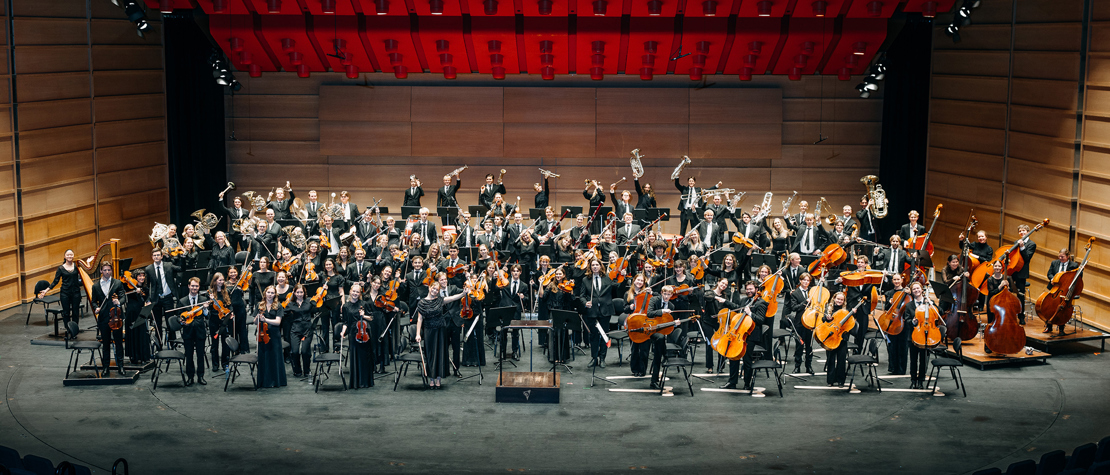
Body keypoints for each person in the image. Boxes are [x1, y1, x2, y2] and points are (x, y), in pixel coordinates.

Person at [415, 279, 468, 389]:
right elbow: (419, 319)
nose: (435, 291)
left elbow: (453, 298)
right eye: (433, 288)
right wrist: (418, 334)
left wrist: (463, 294)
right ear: (429, 288)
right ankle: (431, 378)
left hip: (440, 330)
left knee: (440, 353)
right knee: (430, 354)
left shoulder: (440, 300)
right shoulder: (422, 302)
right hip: (429, 330)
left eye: (437, 290)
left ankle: (438, 378)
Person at [721, 281, 768, 391]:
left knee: (747, 360)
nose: (749, 291)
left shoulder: (761, 303)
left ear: (756, 290)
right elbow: (738, 308)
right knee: (733, 357)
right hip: (739, 333)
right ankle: (732, 382)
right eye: (747, 289)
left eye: (751, 289)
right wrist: (725, 302)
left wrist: (750, 313)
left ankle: (747, 383)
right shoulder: (744, 300)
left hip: (750, 335)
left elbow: (761, 320)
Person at [91, 261, 127, 375]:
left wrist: (119, 302)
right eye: (105, 270)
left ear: (111, 271)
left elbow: (123, 297)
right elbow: (93, 301)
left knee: (118, 342)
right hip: (103, 317)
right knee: (105, 343)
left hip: (116, 316)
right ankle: (105, 367)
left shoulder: (117, 283)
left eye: (109, 270)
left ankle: (121, 366)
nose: (107, 272)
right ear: (101, 271)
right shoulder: (95, 286)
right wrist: (96, 308)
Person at [577, 259, 614, 368]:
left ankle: (602, 358)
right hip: (592, 311)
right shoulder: (585, 280)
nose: (595, 266)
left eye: (597, 264)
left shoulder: (607, 277)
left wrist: (623, 277)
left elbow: (618, 286)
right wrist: (585, 303)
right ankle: (594, 358)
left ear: (601, 266)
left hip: (605, 310)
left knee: (604, 335)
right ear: (590, 267)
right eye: (593, 265)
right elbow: (582, 295)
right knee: (593, 335)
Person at [339, 282, 375, 388]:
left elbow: (371, 318)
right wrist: (343, 331)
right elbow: (345, 322)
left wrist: (364, 316)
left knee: (365, 357)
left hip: (364, 332)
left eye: (357, 292)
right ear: (350, 292)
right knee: (354, 357)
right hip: (353, 333)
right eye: (353, 291)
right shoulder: (345, 306)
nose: (355, 293)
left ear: (360, 294)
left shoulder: (364, 304)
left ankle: (366, 382)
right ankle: (356, 382)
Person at [644, 285, 681, 389]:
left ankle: (654, 379)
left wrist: (674, 324)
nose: (666, 296)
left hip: (661, 332)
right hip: (650, 329)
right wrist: (663, 311)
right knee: (660, 341)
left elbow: (667, 323)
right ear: (661, 293)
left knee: (658, 350)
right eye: (665, 294)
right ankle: (665, 355)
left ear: (671, 295)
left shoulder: (671, 306)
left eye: (669, 294)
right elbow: (649, 313)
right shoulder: (654, 300)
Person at [904, 281, 938, 389]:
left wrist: (931, 304)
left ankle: (921, 380)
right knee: (913, 359)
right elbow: (907, 320)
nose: (916, 290)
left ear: (922, 290)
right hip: (914, 334)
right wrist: (913, 322)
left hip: (927, 334)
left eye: (918, 288)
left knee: (923, 360)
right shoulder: (909, 305)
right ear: (911, 292)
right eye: (914, 289)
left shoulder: (929, 302)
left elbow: (939, 312)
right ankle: (913, 380)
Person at [178, 277, 210, 386]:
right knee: (189, 355)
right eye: (192, 285)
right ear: (188, 286)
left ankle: (201, 376)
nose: (194, 288)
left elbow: (207, 316)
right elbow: (178, 316)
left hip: (200, 330)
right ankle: (190, 377)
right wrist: (182, 322)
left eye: (196, 286)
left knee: (200, 355)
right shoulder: (182, 301)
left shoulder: (203, 300)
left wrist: (205, 309)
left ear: (199, 287)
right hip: (188, 331)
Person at [145, 248, 181, 344]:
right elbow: (147, 286)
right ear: (152, 257)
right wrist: (148, 299)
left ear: (161, 256)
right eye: (154, 255)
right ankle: (159, 344)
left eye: (158, 255)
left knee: (170, 322)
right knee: (157, 323)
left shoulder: (168, 265)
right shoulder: (148, 269)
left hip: (167, 297)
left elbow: (181, 269)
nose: (156, 257)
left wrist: (181, 257)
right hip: (156, 299)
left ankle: (172, 342)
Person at [40, 249, 83, 328]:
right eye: (68, 255)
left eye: (71, 254)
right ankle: (68, 329)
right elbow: (55, 281)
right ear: (65, 256)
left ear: (73, 256)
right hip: (65, 293)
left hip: (76, 292)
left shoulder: (77, 266)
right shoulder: (61, 268)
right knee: (66, 313)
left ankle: (75, 329)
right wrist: (46, 290)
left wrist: (88, 263)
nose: (69, 256)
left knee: (76, 312)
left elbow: (84, 273)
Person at [255, 285, 287, 388]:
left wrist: (265, 320)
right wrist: (257, 318)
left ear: (275, 295)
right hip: (262, 334)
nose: (270, 295)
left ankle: (276, 381)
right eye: (268, 292)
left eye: (272, 293)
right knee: (264, 357)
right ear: (265, 293)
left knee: (275, 357)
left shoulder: (278, 306)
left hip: (274, 334)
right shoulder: (259, 305)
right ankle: (264, 381)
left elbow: (278, 322)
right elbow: (255, 322)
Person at [787, 272, 815, 374]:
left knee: (809, 346)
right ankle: (797, 366)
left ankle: (809, 366)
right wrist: (805, 302)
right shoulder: (795, 293)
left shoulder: (813, 291)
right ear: (800, 280)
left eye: (808, 280)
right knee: (799, 345)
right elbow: (794, 308)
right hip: (800, 322)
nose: (806, 282)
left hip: (810, 322)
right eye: (804, 280)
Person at [882, 273, 909, 375]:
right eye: (894, 279)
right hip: (892, 322)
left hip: (902, 322)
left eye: (898, 279)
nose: (896, 281)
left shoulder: (906, 293)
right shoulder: (889, 293)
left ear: (902, 280)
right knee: (892, 345)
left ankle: (901, 369)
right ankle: (892, 367)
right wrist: (889, 303)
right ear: (892, 281)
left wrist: (909, 293)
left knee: (902, 346)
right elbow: (886, 309)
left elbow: (908, 307)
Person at [123, 269, 151, 364]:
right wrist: (127, 279)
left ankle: (143, 356)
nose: (142, 277)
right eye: (139, 276)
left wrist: (147, 301)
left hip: (141, 313)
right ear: (135, 277)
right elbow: (122, 282)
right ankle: (134, 356)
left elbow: (145, 299)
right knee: (133, 334)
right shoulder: (129, 287)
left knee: (142, 334)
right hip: (131, 313)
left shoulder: (145, 289)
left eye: (143, 276)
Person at [286, 285, 314, 378]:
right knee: (294, 351)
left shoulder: (309, 301)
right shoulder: (290, 304)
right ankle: (297, 371)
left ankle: (307, 370)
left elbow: (319, 307)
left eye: (301, 292)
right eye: (297, 292)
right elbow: (283, 312)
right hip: (295, 329)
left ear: (304, 293)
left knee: (305, 351)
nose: (299, 294)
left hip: (307, 330)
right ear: (294, 293)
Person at [822, 291, 848, 387]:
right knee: (830, 359)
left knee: (841, 360)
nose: (839, 301)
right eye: (838, 299)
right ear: (834, 299)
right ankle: (830, 380)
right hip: (830, 337)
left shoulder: (846, 311)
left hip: (841, 337)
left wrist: (852, 314)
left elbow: (849, 324)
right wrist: (827, 318)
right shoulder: (828, 309)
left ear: (844, 301)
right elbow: (823, 320)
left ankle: (841, 380)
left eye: (841, 300)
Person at [208, 272, 233, 371]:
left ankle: (225, 363)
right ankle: (215, 364)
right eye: (219, 280)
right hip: (214, 319)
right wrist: (211, 301)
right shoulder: (210, 293)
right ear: (215, 281)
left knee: (225, 343)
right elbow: (209, 308)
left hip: (224, 320)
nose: (222, 282)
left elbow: (230, 305)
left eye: (223, 280)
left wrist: (231, 312)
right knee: (214, 343)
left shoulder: (226, 292)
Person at [1013, 224, 1038, 320]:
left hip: (1022, 273)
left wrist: (1022, 247)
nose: (1021, 232)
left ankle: (1021, 317)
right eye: (1020, 231)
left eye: (1023, 230)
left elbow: (1027, 258)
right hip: (1013, 271)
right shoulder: (1016, 242)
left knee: (1020, 295)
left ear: (1028, 232)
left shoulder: (1031, 244)